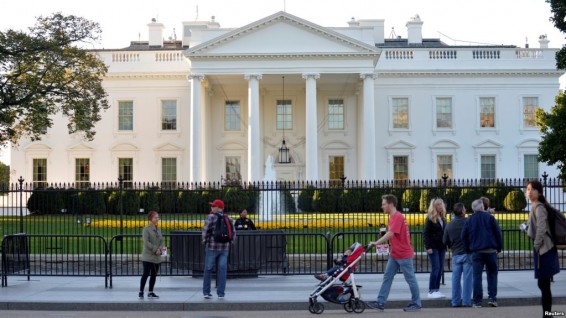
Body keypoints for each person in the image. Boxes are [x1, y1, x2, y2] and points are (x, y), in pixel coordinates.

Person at [367, 194, 422, 312]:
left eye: (384, 204)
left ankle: (416, 303)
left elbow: (391, 233)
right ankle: (380, 302)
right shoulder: (393, 217)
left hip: (403, 254)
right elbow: (392, 233)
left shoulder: (397, 217)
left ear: (391, 204)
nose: (382, 206)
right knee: (387, 277)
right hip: (395, 253)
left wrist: (377, 242)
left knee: (410, 279)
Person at [526, 180, 560, 317]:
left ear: (539, 192)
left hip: (544, 250)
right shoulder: (535, 206)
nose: (529, 192)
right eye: (528, 189)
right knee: (543, 284)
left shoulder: (539, 206)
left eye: (532, 189)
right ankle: (548, 314)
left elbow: (542, 227)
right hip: (543, 249)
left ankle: (548, 314)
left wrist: (536, 244)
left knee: (544, 284)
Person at [462, 198, 503, 308]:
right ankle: (492, 298)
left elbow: (463, 236)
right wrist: (499, 248)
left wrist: (468, 249)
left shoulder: (470, 220)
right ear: (482, 207)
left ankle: (477, 301)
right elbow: (498, 233)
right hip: (490, 251)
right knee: (492, 275)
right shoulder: (490, 218)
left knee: (477, 277)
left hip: (476, 251)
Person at [202, 199, 235, 300]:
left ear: (218, 208)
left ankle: (206, 292)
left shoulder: (211, 217)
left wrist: (205, 241)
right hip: (224, 248)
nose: (211, 207)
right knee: (222, 270)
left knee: (208, 269)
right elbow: (233, 233)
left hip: (212, 247)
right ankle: (221, 293)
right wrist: (229, 244)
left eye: (213, 206)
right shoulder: (228, 218)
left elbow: (205, 231)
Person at [443, 203, 472, 307]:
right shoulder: (469, 222)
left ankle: (455, 301)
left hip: (455, 253)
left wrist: (451, 246)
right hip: (468, 253)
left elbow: (445, 241)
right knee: (467, 279)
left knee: (455, 279)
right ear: (463, 211)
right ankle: (466, 301)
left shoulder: (449, 225)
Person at [424, 198, 447, 299]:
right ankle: (431, 290)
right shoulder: (430, 218)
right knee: (436, 268)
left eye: (441, 204)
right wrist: (428, 246)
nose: (440, 206)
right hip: (433, 247)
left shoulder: (442, 218)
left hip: (441, 247)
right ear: (434, 206)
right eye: (438, 205)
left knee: (440, 268)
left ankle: (436, 290)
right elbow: (426, 233)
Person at [139, 210, 164, 299]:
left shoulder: (159, 229)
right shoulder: (146, 229)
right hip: (148, 256)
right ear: (150, 219)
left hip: (157, 256)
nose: (157, 219)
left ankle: (151, 291)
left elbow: (162, 241)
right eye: (155, 217)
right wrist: (155, 249)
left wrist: (160, 249)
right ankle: (141, 291)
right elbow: (146, 242)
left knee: (154, 274)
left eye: (158, 217)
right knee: (146, 274)